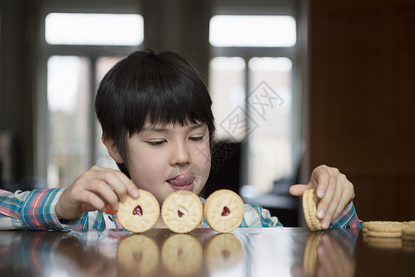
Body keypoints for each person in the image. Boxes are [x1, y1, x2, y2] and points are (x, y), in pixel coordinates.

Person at [0, 50, 360, 231]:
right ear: (113, 146)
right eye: (158, 142)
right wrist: (62, 204)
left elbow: (343, 254)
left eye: (197, 136)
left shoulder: (248, 223)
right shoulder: (93, 224)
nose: (183, 156)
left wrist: (335, 207)